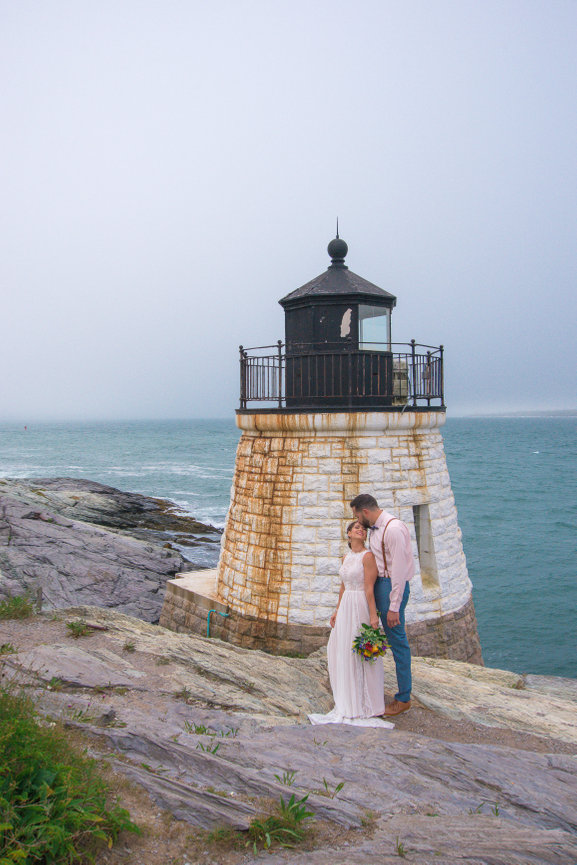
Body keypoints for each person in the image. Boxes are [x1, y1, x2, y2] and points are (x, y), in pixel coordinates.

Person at [308, 520, 394, 729]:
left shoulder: (368, 556)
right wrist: (337, 610)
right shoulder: (346, 557)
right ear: (348, 533)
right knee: (341, 649)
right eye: (357, 528)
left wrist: (373, 616)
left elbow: (369, 588)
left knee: (360, 652)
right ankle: (347, 698)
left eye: (363, 529)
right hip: (346, 605)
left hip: (360, 604)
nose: (361, 530)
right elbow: (343, 586)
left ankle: (365, 703)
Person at [350, 493, 414, 717]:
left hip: (390, 588)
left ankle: (403, 698)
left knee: (397, 641)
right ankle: (367, 688)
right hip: (379, 585)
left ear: (365, 512)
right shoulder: (375, 529)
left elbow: (399, 570)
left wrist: (394, 606)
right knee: (370, 633)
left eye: (357, 516)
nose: (357, 521)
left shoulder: (393, 529)